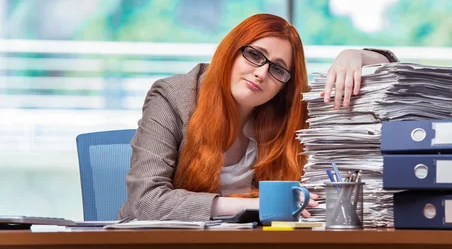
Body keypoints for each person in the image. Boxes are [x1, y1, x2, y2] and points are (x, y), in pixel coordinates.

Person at [119, 13, 398, 221]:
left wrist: (357, 55)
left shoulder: (287, 111)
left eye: (278, 69)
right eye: (254, 55)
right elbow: (146, 201)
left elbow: (395, 74)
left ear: (283, 85)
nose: (261, 73)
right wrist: (258, 204)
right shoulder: (173, 97)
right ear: (230, 51)